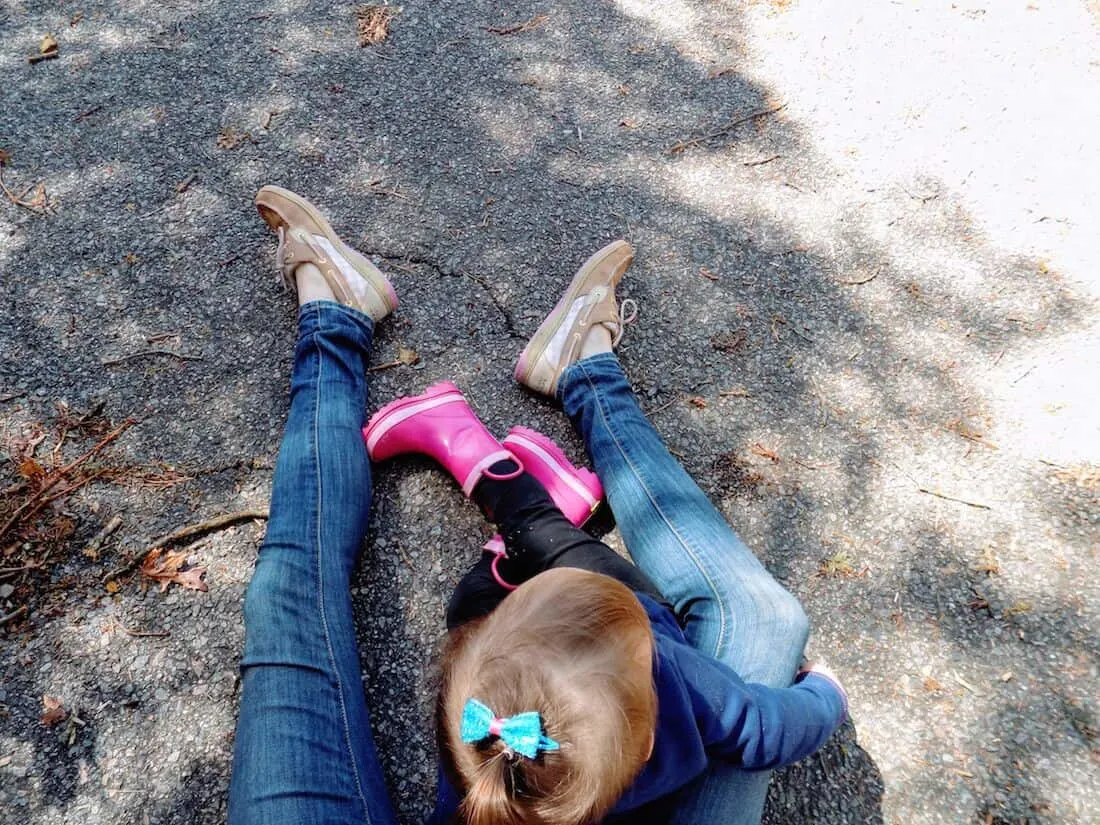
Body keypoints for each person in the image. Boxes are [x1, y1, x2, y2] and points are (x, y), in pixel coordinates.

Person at [227, 185, 845, 825]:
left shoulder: (490, 750)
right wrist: (826, 696)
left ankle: (350, 332)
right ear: (649, 737)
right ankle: (562, 419)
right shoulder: (682, 695)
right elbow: (765, 728)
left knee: (297, 585)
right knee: (761, 616)